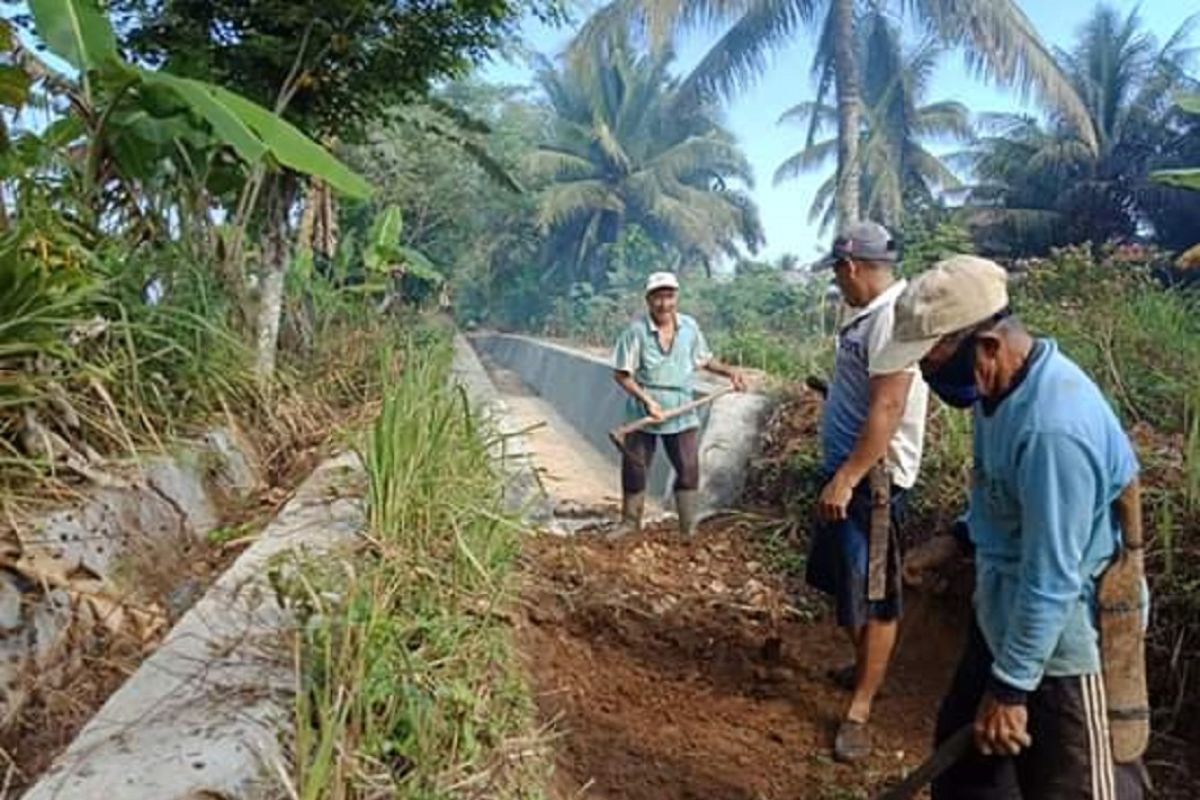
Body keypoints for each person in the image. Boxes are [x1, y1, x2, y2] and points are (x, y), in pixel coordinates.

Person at [877, 255, 1146, 799]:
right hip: (1001, 620)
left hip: (1064, 648)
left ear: (987, 344)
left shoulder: (1054, 431)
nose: (925, 373)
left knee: (1075, 786)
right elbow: (998, 501)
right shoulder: (996, 392)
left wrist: (1011, 689)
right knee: (966, 780)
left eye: (930, 358)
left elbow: (1052, 578)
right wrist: (956, 539)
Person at [804, 221, 930, 762]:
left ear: (850, 268)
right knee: (847, 580)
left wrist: (849, 476)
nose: (837, 284)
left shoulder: (890, 322)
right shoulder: (870, 318)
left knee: (875, 594)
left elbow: (889, 407)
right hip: (851, 474)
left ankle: (860, 709)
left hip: (871, 484)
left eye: (837, 274)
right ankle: (861, 668)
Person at [612, 271, 745, 537]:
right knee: (635, 467)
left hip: (680, 408)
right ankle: (629, 522)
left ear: (676, 298)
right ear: (648, 300)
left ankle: (687, 528)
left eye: (669, 296)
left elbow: (704, 359)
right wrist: (648, 401)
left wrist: (729, 372)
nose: (664, 304)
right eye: (658, 298)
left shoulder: (689, 328)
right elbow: (622, 374)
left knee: (688, 468)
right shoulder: (635, 333)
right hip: (644, 410)